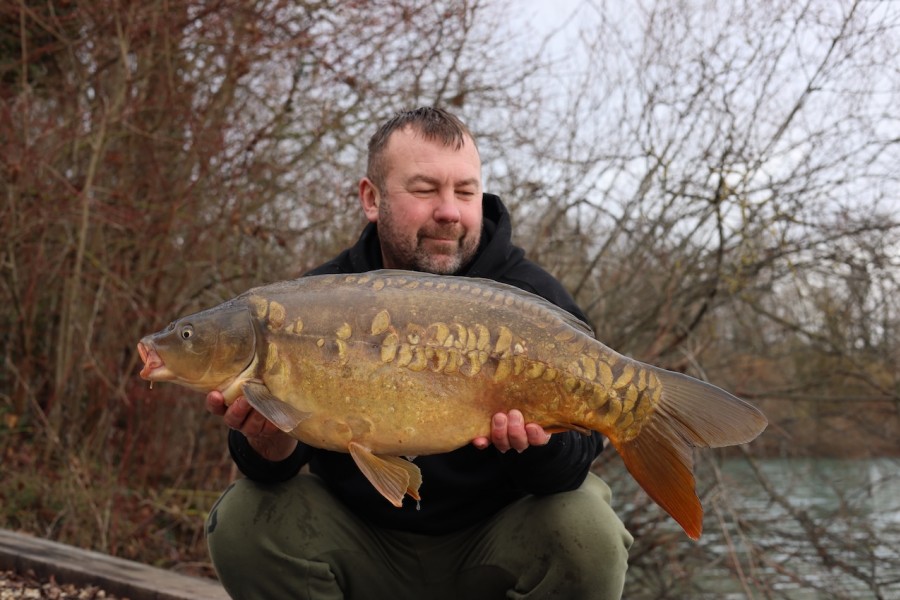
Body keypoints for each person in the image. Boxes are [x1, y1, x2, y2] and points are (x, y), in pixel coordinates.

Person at [204, 107, 633, 599]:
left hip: (491, 552)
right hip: (362, 547)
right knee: (242, 519)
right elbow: (267, 472)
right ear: (372, 198)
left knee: (587, 529)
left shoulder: (530, 298)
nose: (449, 210)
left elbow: (574, 464)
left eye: (466, 191)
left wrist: (540, 444)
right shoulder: (311, 303)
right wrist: (269, 441)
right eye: (426, 189)